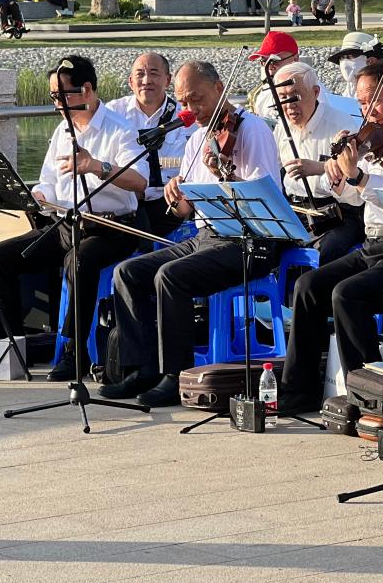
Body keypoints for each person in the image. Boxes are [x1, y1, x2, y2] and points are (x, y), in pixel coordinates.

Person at [102, 61, 283, 407]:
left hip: (248, 241)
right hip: (206, 236)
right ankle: (142, 368)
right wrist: (175, 196)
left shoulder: (252, 129)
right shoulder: (197, 138)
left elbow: (265, 200)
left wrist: (227, 177)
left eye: (196, 99)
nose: (190, 109)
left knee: (171, 276)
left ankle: (176, 375)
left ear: (219, 88)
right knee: (128, 272)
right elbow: (183, 211)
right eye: (183, 101)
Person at [277, 65, 383, 414]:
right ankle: (299, 389)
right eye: (361, 103)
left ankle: (369, 398)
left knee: (348, 295)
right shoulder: (381, 136)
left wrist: (356, 174)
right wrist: (340, 179)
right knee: (309, 287)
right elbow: (358, 200)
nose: (368, 112)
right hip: (376, 244)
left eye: (374, 101)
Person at [0, 56, 147, 381]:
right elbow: (48, 180)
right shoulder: (62, 130)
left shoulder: (120, 128)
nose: (57, 104)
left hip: (111, 227)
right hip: (66, 224)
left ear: (86, 90)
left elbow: (139, 181)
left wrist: (97, 166)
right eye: (53, 97)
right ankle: (12, 348)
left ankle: (75, 351)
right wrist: (39, 196)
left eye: (62, 95)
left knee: (80, 260)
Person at [270, 61, 365, 266]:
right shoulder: (281, 128)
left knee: (327, 251)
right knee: (261, 246)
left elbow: (355, 189)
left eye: (295, 95)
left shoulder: (341, 124)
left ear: (315, 92)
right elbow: (271, 171)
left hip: (338, 213)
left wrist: (321, 169)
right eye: (282, 98)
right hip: (296, 210)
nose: (289, 105)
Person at [106, 52, 198, 239]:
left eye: (154, 73)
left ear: (168, 80)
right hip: (123, 201)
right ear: (131, 81)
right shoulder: (113, 113)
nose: (146, 80)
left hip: (166, 201)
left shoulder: (185, 118)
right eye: (140, 74)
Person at [247, 30, 301, 120]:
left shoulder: (308, 90)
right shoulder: (263, 93)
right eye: (264, 61)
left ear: (295, 59)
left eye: (274, 61)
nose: (269, 67)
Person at [327, 31, 383, 98]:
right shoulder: (337, 98)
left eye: (350, 57)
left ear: (371, 61)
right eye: (342, 58)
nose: (344, 62)